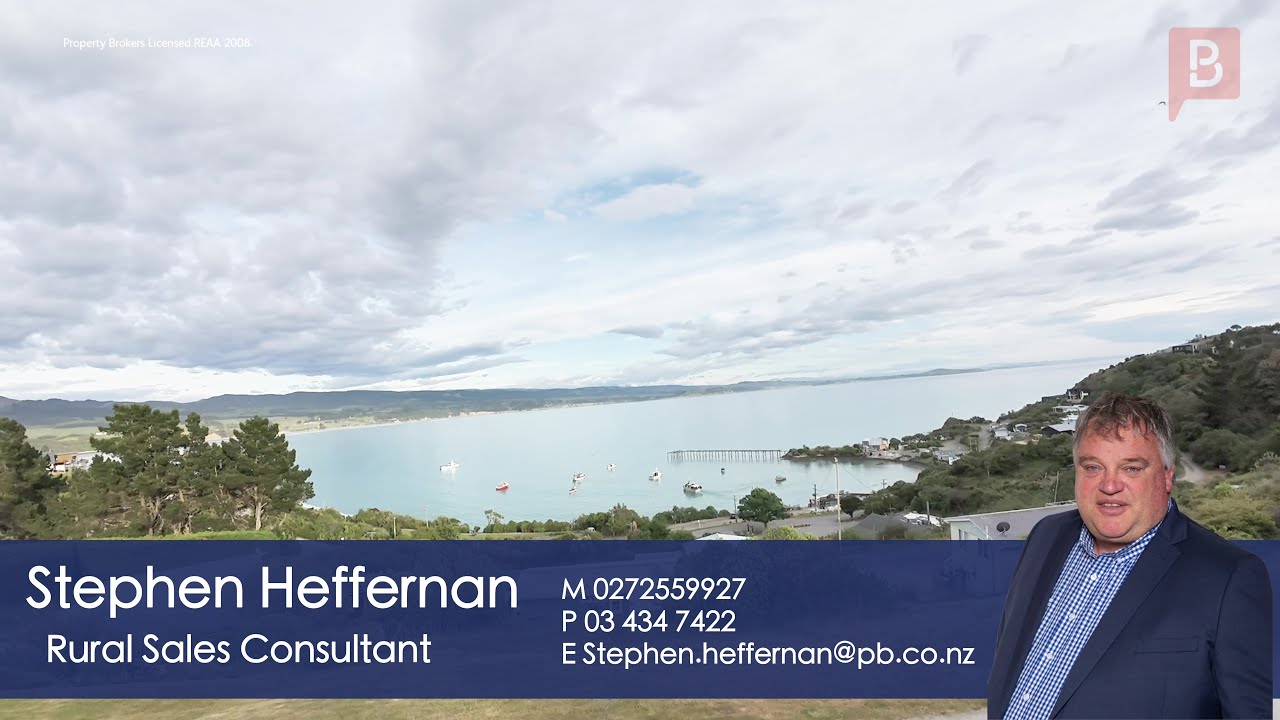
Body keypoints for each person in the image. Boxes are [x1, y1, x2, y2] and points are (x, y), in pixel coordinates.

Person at [988, 391, 1272, 719]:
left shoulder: (1230, 578)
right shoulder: (1045, 537)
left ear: (1167, 475)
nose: (1110, 485)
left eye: (1132, 468)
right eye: (1093, 467)